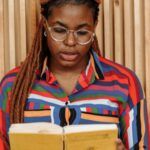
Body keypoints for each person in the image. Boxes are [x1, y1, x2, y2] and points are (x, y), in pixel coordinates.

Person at [0, 0, 149, 149]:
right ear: (45, 24)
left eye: (82, 32)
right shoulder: (12, 86)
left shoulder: (125, 83)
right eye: (59, 30)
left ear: (95, 26)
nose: (70, 42)